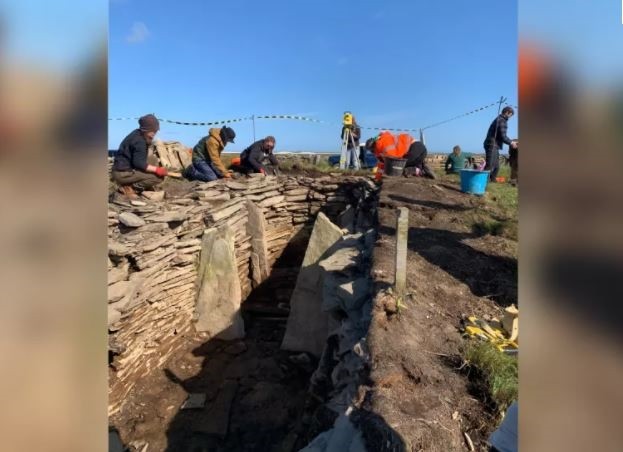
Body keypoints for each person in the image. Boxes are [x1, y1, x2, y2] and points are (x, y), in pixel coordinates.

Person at [111, 114, 168, 199]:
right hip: (123, 174)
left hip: (120, 170)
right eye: (153, 130)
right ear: (146, 129)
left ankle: (144, 186)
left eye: (155, 131)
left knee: (152, 159)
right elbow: (139, 164)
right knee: (158, 177)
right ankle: (130, 188)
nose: (154, 133)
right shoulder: (139, 142)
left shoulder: (137, 133)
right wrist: (157, 170)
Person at [483, 106, 518, 182]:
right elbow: (503, 136)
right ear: (507, 112)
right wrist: (511, 142)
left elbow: (501, 136)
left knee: (496, 166)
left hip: (493, 145)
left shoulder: (499, 119)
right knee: (490, 165)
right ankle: (482, 182)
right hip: (492, 144)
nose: (510, 117)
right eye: (511, 115)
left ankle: (492, 181)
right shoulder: (502, 120)